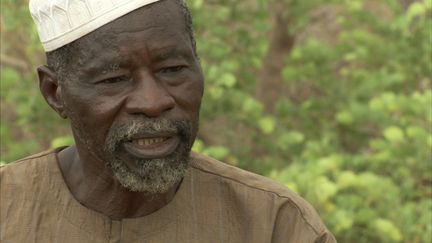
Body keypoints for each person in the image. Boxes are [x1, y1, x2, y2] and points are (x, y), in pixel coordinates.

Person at [0, 0, 336, 242]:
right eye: (115, 79)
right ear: (55, 92)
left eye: (172, 70)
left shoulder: (276, 224)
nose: (154, 102)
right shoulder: (9, 208)